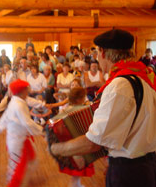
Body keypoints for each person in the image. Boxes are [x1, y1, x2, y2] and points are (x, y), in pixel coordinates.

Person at [51, 29, 156, 187]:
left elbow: (93, 142)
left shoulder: (119, 85)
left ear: (103, 52)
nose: (97, 58)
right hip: (147, 164)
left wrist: (57, 149)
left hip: (129, 171)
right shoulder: (144, 79)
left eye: (96, 53)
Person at [0, 79, 43, 187]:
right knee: (16, 166)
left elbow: (5, 118)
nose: (28, 92)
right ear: (22, 91)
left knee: (30, 160)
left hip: (21, 138)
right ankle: (15, 183)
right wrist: (42, 130)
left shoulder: (17, 101)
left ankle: (21, 181)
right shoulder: (18, 105)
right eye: (27, 90)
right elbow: (27, 123)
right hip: (16, 140)